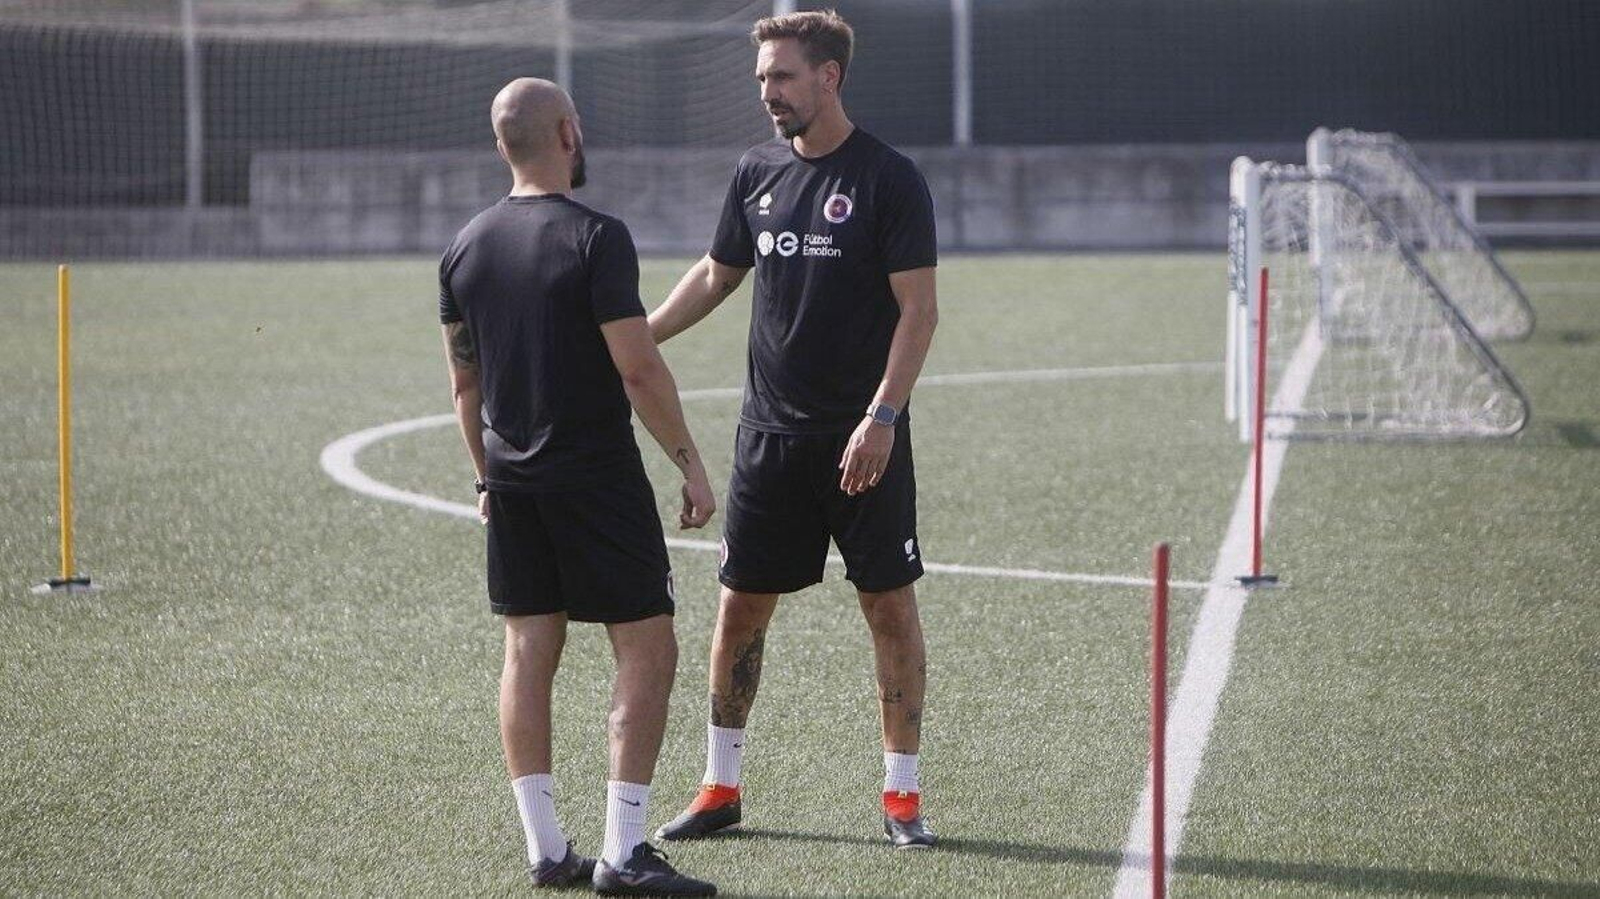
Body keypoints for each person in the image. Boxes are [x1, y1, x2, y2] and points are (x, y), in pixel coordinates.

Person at [647, 11, 940, 850]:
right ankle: (720, 786)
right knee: (740, 610)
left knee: (888, 607)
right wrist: (639, 336)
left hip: (864, 441)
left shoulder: (889, 178)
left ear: (829, 78)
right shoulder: (755, 172)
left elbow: (918, 313)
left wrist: (883, 416)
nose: (767, 93)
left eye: (781, 78)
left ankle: (903, 798)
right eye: (762, 80)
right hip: (769, 439)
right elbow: (716, 273)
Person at [439, 77, 718, 895]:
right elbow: (637, 364)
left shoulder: (465, 246)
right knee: (647, 646)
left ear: (502, 145)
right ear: (570, 132)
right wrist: (690, 463)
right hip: (596, 478)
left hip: (513, 483)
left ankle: (546, 848)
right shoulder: (597, 237)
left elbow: (465, 387)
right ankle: (624, 852)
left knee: (528, 652)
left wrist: (485, 476)